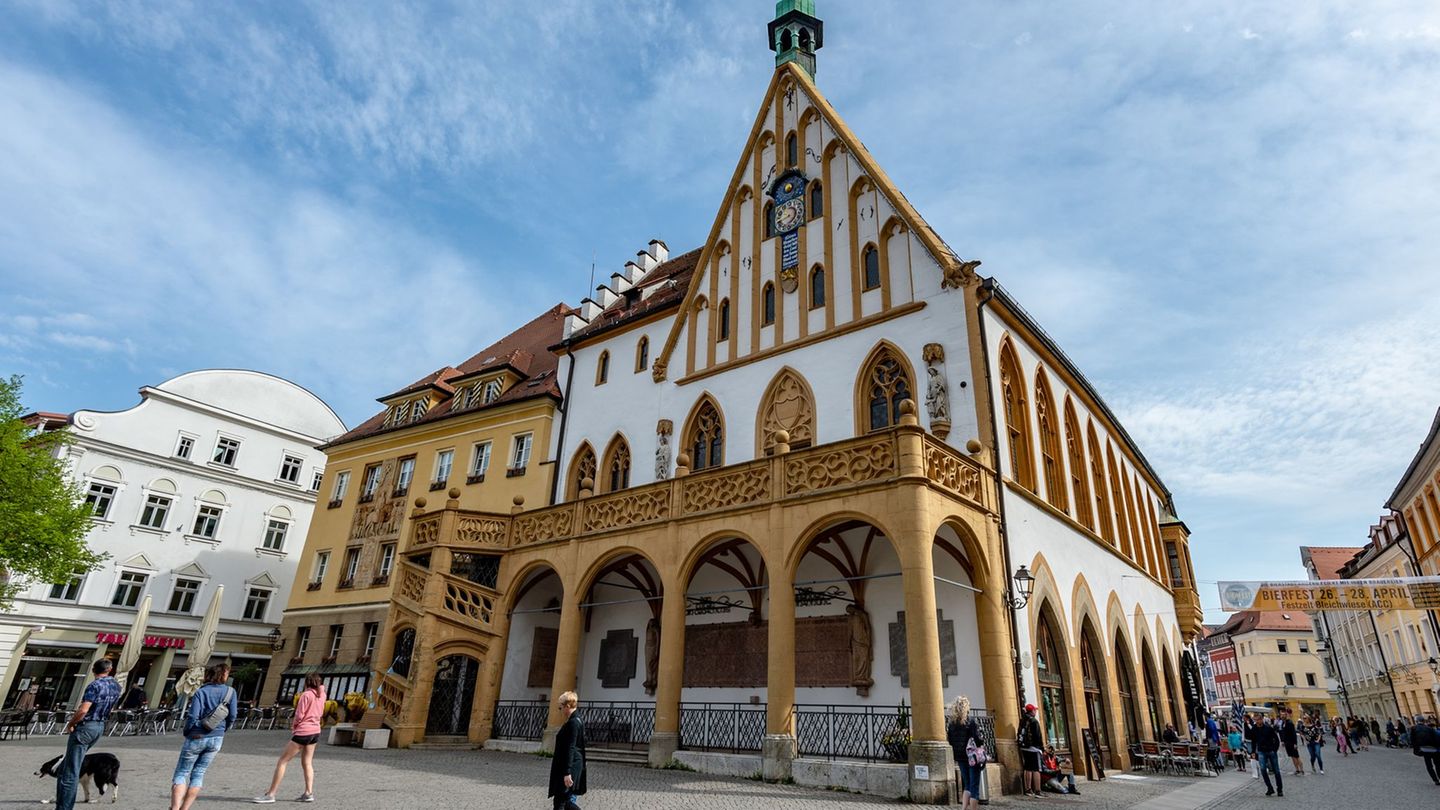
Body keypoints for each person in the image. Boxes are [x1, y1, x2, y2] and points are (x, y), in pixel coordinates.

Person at [56, 659, 121, 810]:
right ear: (109, 670)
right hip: (99, 726)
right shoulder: (116, 686)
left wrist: (71, 723)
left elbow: (84, 710)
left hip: (86, 726)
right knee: (67, 767)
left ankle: (64, 807)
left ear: (93, 670)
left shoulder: (94, 685)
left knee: (70, 772)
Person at [171, 662, 237, 810]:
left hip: (197, 736)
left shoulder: (201, 692)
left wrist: (188, 731)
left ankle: (175, 808)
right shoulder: (231, 692)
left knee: (182, 772)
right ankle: (185, 808)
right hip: (217, 738)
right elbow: (232, 716)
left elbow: (193, 716)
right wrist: (222, 729)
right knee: (199, 773)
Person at [253, 673, 327, 803]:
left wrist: (295, 727)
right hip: (315, 731)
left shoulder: (306, 695)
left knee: (283, 761)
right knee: (307, 762)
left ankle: (271, 794)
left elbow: (299, 715)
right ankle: (308, 792)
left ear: (307, 682)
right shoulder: (322, 695)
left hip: (303, 731)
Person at [548, 691, 587, 810]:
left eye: (561, 707)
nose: (560, 710)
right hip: (573, 764)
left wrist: (567, 772)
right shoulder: (578, 720)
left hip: (570, 766)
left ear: (567, 706)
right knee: (564, 801)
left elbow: (571, 747)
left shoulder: (573, 723)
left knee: (561, 801)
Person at [946, 695, 984, 810]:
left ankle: (963, 809)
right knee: (974, 787)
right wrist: (981, 742)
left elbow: (950, 740)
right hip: (972, 757)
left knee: (967, 784)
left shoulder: (952, 723)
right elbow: (977, 739)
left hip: (960, 756)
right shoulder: (970, 721)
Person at [1018, 703, 1045, 797]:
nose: (1036, 712)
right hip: (1033, 748)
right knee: (1036, 769)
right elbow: (1038, 736)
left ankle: (1028, 789)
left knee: (1027, 768)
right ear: (1032, 711)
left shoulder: (1022, 720)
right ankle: (1038, 790)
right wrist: (1041, 747)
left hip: (1024, 747)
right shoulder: (1034, 721)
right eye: (1035, 710)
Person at [1253, 716, 1283, 797]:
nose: (1257, 721)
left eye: (1259, 720)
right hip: (1261, 751)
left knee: (1276, 770)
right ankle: (1270, 788)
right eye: (1256, 720)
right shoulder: (1254, 729)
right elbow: (1253, 740)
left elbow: (1276, 739)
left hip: (1270, 750)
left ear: (1262, 720)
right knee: (1263, 769)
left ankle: (1279, 789)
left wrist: (1274, 749)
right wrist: (1253, 752)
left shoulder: (1268, 728)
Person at [1411, 715, 1440, 786]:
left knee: (1429, 766)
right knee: (1437, 764)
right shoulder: (1429, 728)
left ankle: (1435, 780)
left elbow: (1413, 741)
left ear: (1416, 721)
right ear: (1424, 721)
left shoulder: (1414, 729)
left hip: (1424, 749)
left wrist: (1416, 750)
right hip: (1433, 749)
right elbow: (1436, 739)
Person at [1277, 709, 1303, 776]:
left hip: (1292, 742)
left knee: (1296, 756)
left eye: (1283, 715)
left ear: (1286, 715)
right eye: (1281, 715)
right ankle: (1297, 769)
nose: (1282, 716)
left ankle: (1301, 769)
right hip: (1287, 743)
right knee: (1292, 756)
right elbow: (1282, 733)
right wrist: (1282, 741)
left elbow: (1294, 734)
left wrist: (1295, 743)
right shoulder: (1283, 723)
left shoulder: (1289, 723)